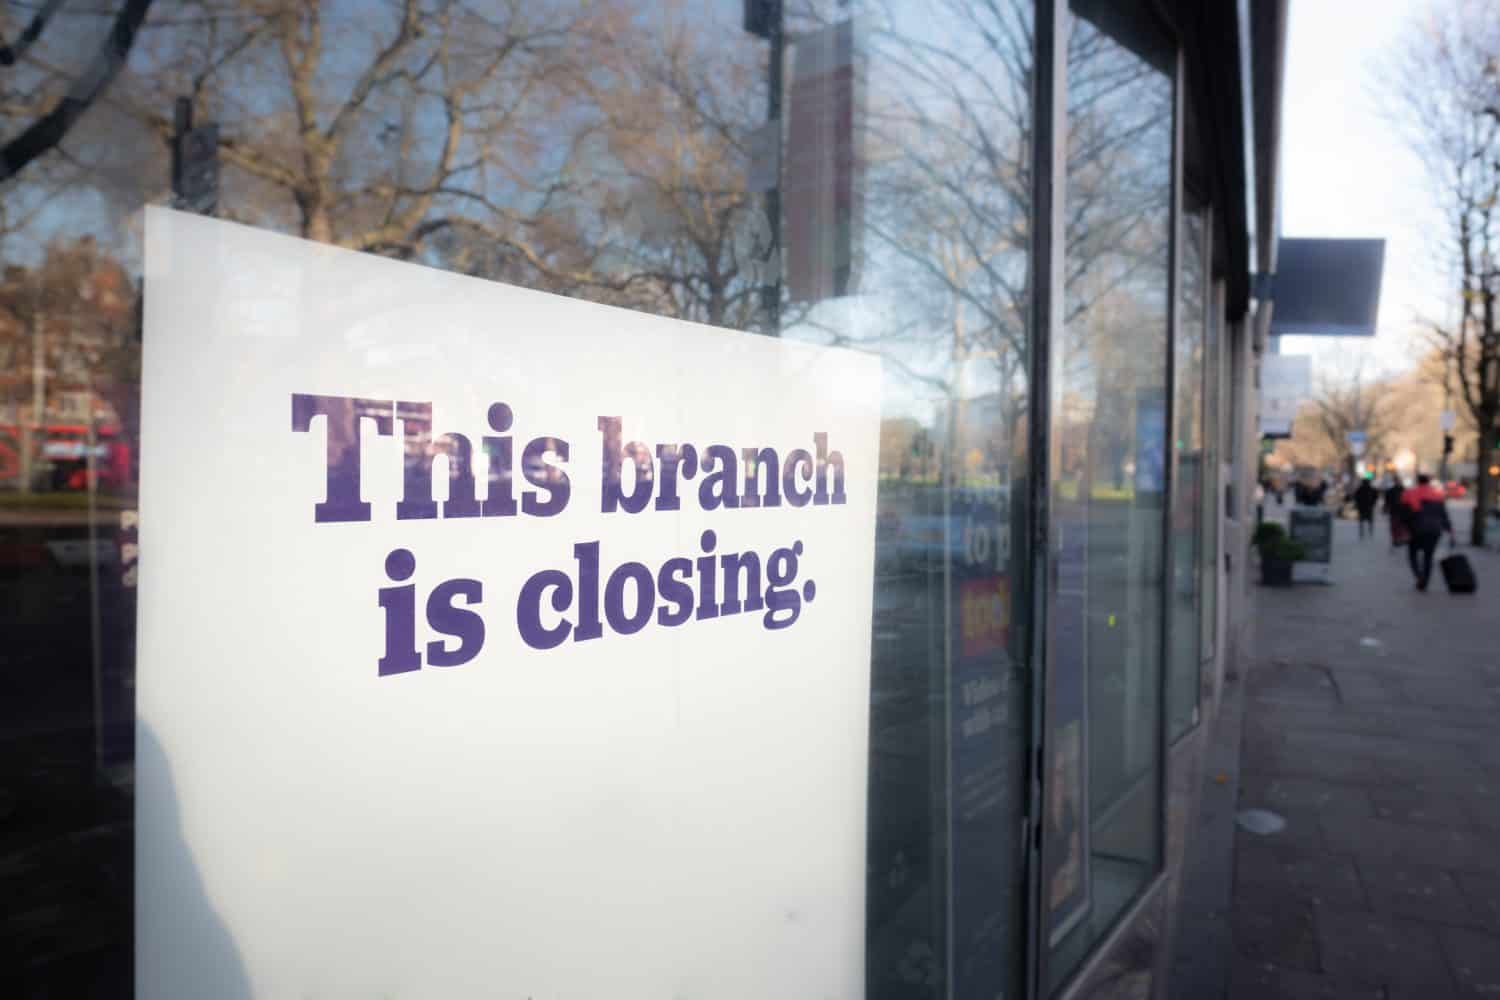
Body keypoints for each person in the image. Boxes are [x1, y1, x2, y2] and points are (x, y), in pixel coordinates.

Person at [1401, 473, 1455, 591]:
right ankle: (1425, 580)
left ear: (1418, 481)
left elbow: (1404, 513)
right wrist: (1450, 530)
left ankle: (1419, 576)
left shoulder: (1409, 493)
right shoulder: (1438, 495)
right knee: (1428, 556)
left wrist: (1404, 528)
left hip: (1416, 530)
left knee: (1412, 555)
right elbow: (1443, 515)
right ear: (1428, 482)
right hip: (1434, 530)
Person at [1383, 475, 1408, 548]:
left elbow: (1387, 501)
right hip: (1400, 510)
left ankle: (1396, 538)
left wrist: (1386, 508)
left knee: (1395, 526)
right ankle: (1398, 538)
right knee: (1399, 525)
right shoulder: (1404, 490)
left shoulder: (1390, 491)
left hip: (1395, 510)